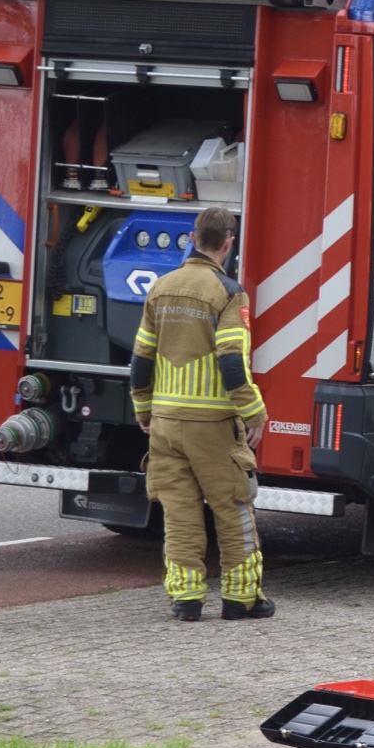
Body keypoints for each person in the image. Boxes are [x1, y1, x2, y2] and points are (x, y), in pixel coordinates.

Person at [129, 206, 271, 622]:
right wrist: (254, 412)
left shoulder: (161, 288)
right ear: (228, 243)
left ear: (193, 237)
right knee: (232, 507)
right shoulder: (228, 293)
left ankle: (187, 600)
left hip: (165, 424)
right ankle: (241, 599)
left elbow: (140, 360)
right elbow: (231, 362)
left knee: (179, 512)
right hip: (211, 426)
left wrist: (144, 410)